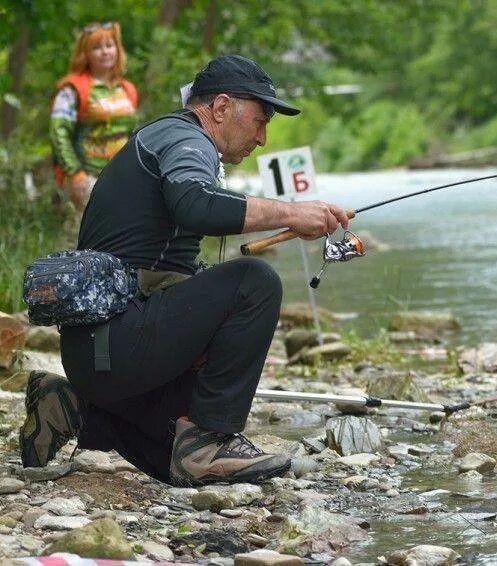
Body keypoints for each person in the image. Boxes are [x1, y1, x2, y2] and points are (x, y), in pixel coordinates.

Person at [20, 55, 349, 486]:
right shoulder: (184, 139)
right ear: (221, 107)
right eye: (259, 119)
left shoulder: (169, 139)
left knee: (171, 457)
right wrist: (292, 212)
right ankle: (208, 440)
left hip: (100, 356)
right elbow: (196, 204)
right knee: (255, 281)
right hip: (117, 344)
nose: (263, 138)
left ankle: (71, 406)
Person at [49, 21, 137, 211]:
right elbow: (59, 133)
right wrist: (75, 173)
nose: (105, 52)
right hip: (86, 176)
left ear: (117, 49)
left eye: (109, 45)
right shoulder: (72, 88)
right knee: (79, 236)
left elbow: (130, 134)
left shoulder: (127, 89)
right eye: (97, 47)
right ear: (85, 54)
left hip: (120, 178)